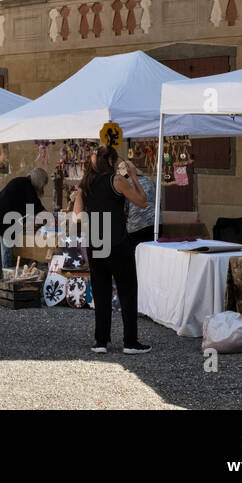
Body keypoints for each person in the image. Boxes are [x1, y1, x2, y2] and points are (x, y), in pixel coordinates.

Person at [73, 145, 150, 355]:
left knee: (101, 291)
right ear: (110, 162)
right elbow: (143, 202)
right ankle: (130, 342)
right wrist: (133, 176)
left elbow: (77, 214)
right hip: (117, 241)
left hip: (96, 241)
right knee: (127, 290)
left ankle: (100, 341)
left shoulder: (85, 183)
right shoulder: (117, 180)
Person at [0, 168, 49, 278]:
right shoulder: (27, 186)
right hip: (2, 217)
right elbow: (36, 206)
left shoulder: (21, 181)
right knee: (6, 249)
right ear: (39, 181)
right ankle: (7, 276)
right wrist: (49, 217)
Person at [126, 170, 157, 250]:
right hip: (155, 222)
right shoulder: (149, 180)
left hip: (136, 224)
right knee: (154, 252)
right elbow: (158, 199)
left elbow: (124, 207)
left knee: (137, 255)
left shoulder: (125, 183)